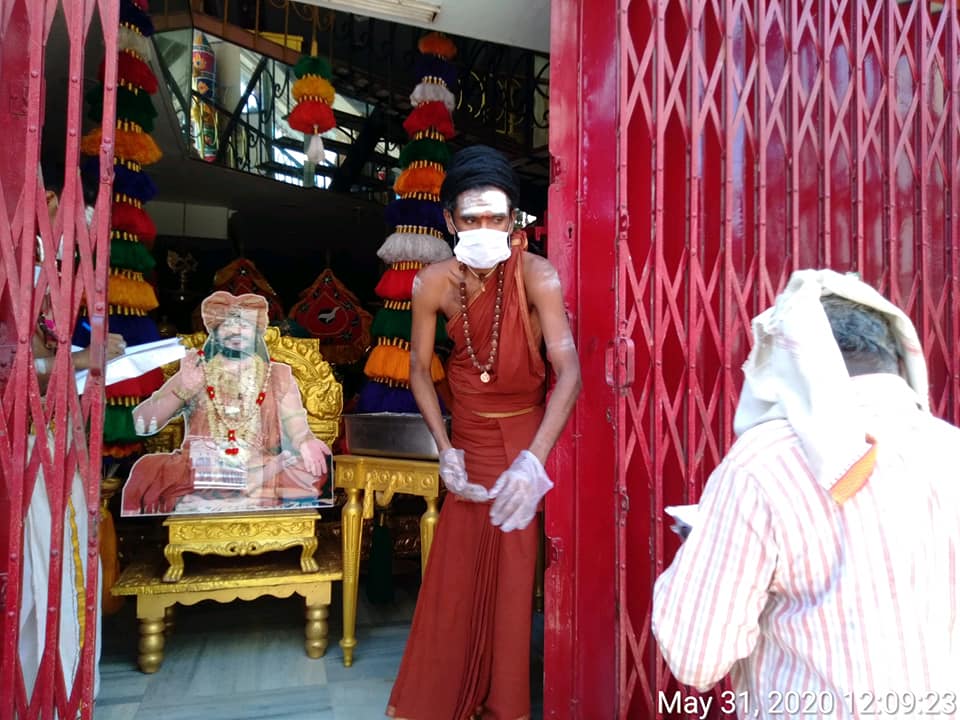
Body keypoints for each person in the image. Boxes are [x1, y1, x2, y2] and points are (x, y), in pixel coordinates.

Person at [652, 270, 960, 718]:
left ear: (793, 362)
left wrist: (704, 548)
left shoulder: (762, 463)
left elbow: (695, 657)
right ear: (897, 358)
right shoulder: (951, 449)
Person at [387, 145, 581, 719]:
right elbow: (418, 370)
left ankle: (505, 704)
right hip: (468, 440)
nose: (484, 229)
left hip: (524, 440)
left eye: (496, 218)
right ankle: (451, 694)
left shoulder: (538, 275)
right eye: (471, 219)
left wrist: (535, 460)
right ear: (450, 221)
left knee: (515, 579)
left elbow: (569, 371)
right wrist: (445, 448)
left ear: (514, 219)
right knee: (457, 576)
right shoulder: (432, 283)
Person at [121, 291, 331, 515]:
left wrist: (305, 442)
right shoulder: (196, 370)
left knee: (314, 470)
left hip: (259, 465)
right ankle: (244, 496)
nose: (236, 331)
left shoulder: (278, 375)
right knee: (147, 469)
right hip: (204, 467)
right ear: (215, 331)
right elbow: (141, 424)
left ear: (257, 331)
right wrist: (183, 389)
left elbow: (297, 428)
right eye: (228, 325)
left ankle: (220, 498)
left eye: (244, 325)